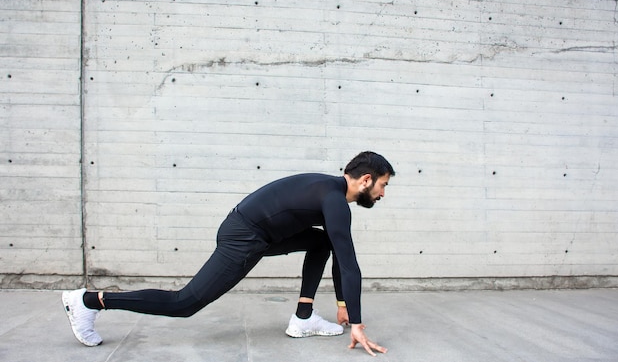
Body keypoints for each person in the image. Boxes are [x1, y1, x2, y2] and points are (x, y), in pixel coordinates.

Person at [62, 151, 394, 356]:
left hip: (258, 233)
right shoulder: (334, 201)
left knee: (321, 242)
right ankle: (89, 301)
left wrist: (342, 305)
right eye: (383, 185)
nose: (382, 193)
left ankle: (303, 319)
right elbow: (350, 267)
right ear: (366, 179)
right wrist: (357, 322)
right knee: (185, 303)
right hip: (244, 236)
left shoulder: (329, 190)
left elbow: (338, 253)